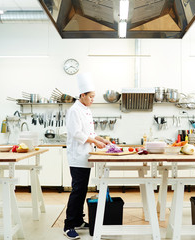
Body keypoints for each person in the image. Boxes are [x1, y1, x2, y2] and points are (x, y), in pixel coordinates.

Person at [63, 73, 111, 239]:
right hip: (77, 156)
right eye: (90, 97)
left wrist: (101, 139)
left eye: (93, 97)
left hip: (85, 156)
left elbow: (90, 133)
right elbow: (76, 133)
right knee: (77, 190)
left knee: (82, 190)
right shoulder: (74, 110)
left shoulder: (86, 110)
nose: (92, 99)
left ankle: (78, 220)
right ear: (82, 95)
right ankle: (68, 225)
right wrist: (95, 142)